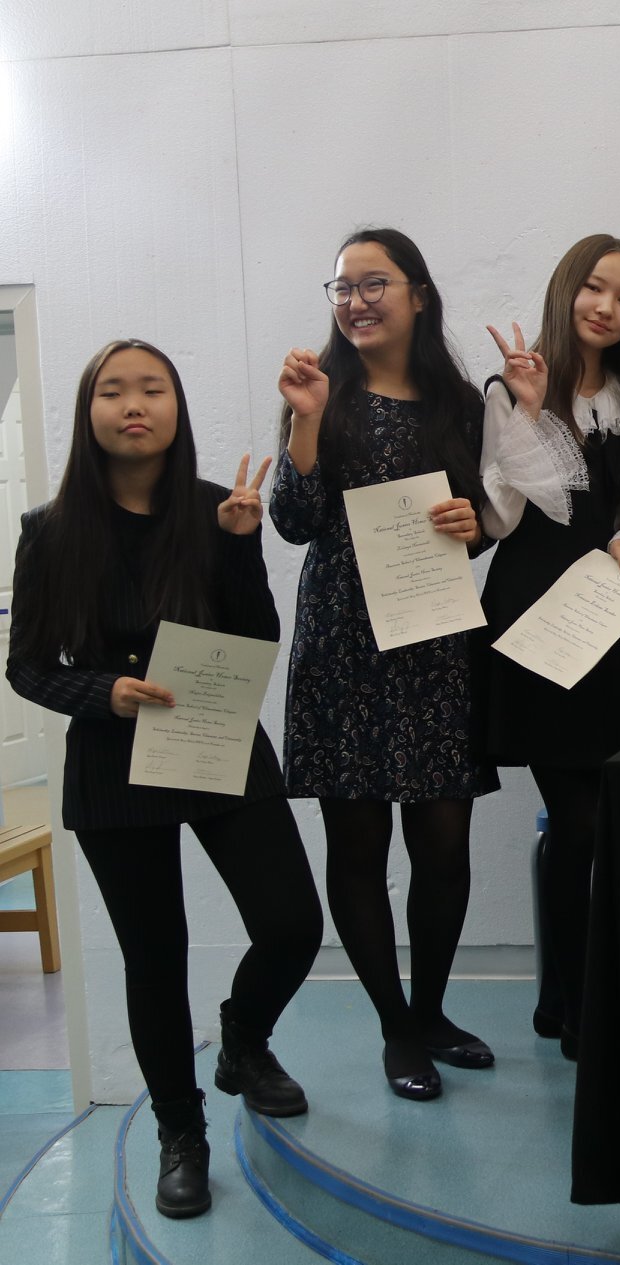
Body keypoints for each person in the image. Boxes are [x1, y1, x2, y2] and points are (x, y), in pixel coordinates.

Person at [7, 340, 321, 1219]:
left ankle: (244, 1040)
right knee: (156, 959)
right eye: (113, 391)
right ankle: (180, 1132)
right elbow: (27, 667)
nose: (132, 404)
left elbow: (257, 640)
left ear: (176, 407)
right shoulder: (51, 530)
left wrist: (242, 547)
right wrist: (101, 691)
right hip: (114, 765)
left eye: (152, 389)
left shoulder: (217, 508)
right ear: (89, 411)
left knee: (294, 922)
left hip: (216, 742)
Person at [272, 227, 498, 1102]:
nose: (357, 300)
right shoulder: (316, 392)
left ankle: (433, 1008)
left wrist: (473, 525)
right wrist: (303, 420)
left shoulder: (460, 403)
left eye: (375, 283)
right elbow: (295, 523)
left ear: (417, 295)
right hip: (342, 647)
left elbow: (483, 517)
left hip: (436, 643)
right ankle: (394, 1025)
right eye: (342, 287)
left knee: (443, 843)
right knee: (359, 845)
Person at [480, 234, 620, 1056]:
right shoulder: (513, 383)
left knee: (610, 818)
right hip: (533, 618)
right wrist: (526, 407)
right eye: (595, 287)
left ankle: (560, 997)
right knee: (577, 820)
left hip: (601, 620)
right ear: (567, 288)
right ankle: (579, 1008)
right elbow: (505, 518)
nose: (607, 307)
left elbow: (615, 510)